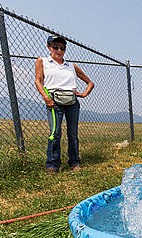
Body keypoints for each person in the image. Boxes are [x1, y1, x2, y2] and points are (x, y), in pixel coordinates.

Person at [35, 35, 94, 174]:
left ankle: (74, 162)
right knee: (55, 133)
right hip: (54, 101)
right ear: (49, 47)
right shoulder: (42, 61)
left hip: (72, 102)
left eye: (62, 48)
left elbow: (90, 82)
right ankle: (52, 164)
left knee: (73, 134)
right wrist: (46, 98)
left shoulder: (71, 66)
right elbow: (38, 81)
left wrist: (84, 93)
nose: (59, 50)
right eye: (55, 47)